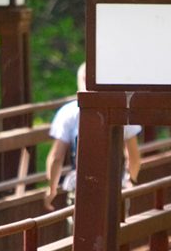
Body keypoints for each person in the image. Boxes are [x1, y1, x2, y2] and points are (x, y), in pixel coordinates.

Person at [44, 63, 142, 209]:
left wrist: (52, 188)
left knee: (79, 226)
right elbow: (133, 157)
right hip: (114, 184)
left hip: (80, 184)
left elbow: (56, 158)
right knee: (118, 224)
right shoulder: (121, 110)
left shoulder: (68, 113)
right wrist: (130, 180)